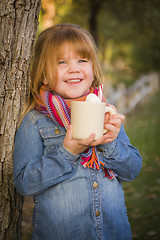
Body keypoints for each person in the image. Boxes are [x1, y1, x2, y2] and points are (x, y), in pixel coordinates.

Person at [13, 23, 142, 240]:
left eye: (82, 60)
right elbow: (25, 183)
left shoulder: (106, 114)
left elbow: (132, 170)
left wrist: (110, 143)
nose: (74, 68)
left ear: (92, 72)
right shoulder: (35, 121)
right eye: (62, 62)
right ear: (44, 76)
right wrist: (67, 152)